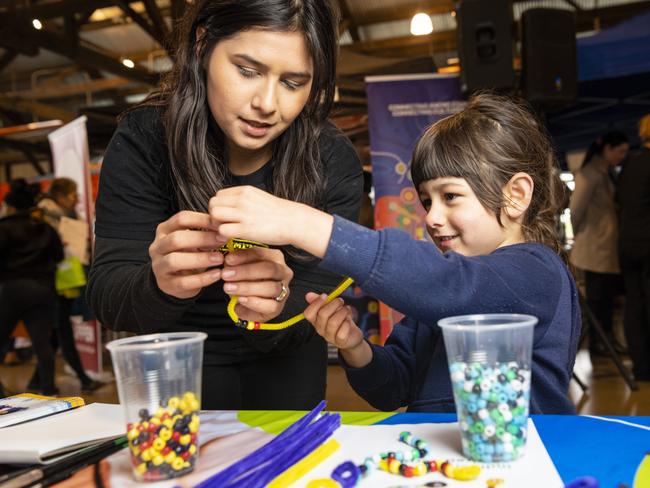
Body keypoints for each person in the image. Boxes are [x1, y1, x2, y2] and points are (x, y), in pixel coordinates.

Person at [208, 93, 582, 414]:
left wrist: (305, 225)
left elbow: (452, 285)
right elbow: (394, 388)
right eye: (425, 201)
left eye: (450, 196)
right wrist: (354, 347)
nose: (432, 218)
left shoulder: (536, 272)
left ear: (515, 195)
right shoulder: (439, 302)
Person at [87, 0, 363, 410]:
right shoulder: (144, 140)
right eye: (247, 71)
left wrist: (276, 304)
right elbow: (108, 297)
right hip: (175, 369)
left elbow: (315, 306)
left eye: (293, 82)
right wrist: (158, 284)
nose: (268, 104)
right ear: (202, 45)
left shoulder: (332, 160)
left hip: (286, 369)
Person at [30, 178, 103, 394]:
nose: (77, 199)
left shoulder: (65, 217)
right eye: (73, 194)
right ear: (61, 196)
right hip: (49, 283)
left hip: (62, 281)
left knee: (54, 334)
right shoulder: (44, 217)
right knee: (61, 331)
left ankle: (36, 382)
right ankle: (82, 380)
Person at [0, 179, 64, 397]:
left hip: (12, 289)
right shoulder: (44, 227)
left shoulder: (4, 228)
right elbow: (59, 256)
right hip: (43, 289)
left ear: (11, 206)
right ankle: (49, 390)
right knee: (42, 343)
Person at [569, 131, 629, 356]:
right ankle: (597, 343)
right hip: (593, 248)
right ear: (607, 149)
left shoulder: (606, 172)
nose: (622, 156)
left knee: (606, 300)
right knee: (596, 301)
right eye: (620, 151)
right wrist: (579, 234)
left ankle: (604, 342)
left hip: (605, 247)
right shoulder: (590, 174)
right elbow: (576, 210)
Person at [617, 115, 650, 381]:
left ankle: (641, 367)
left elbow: (620, 201)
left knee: (634, 305)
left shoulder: (631, 164)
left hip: (627, 243)